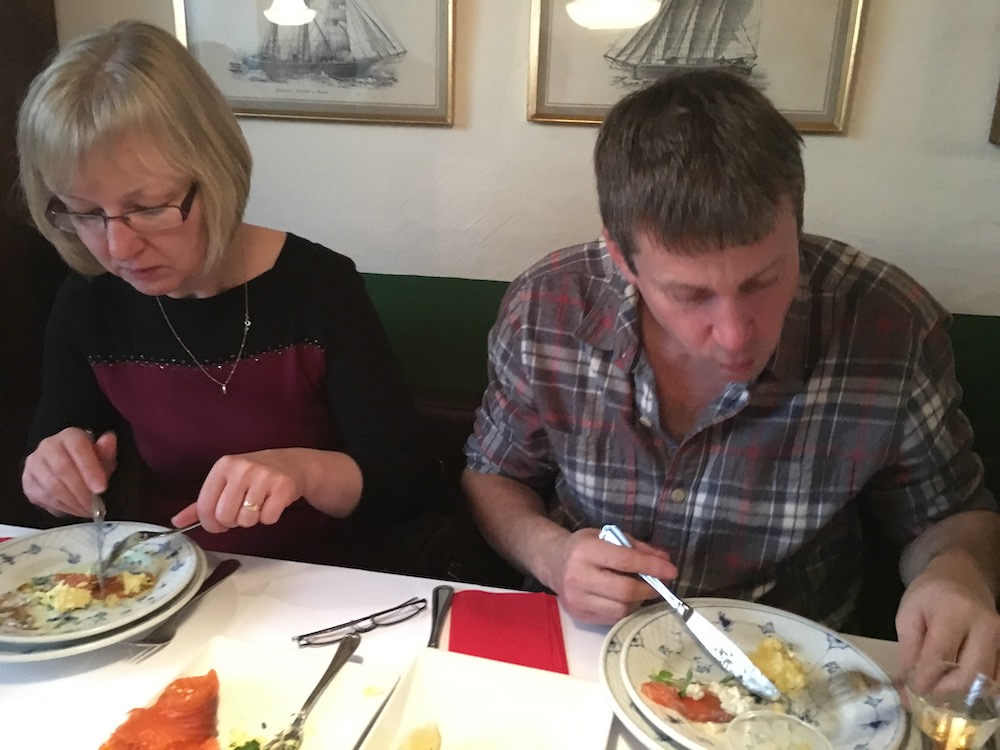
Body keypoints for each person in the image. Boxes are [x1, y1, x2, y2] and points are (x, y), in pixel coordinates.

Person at [462, 70, 1000, 676]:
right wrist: (551, 554)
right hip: (583, 651)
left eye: (764, 280)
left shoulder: (889, 323)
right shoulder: (548, 306)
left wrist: (957, 574)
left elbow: (952, 515)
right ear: (622, 259)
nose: (737, 333)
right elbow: (491, 475)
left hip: (787, 674)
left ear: (796, 224)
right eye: (689, 295)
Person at [17, 20, 446, 572]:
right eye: (85, 212)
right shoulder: (87, 304)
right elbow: (59, 462)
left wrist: (303, 470)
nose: (118, 246)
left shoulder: (318, 287)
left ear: (214, 172)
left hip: (332, 585)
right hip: (162, 582)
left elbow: (408, 481)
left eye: (148, 206)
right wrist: (51, 475)